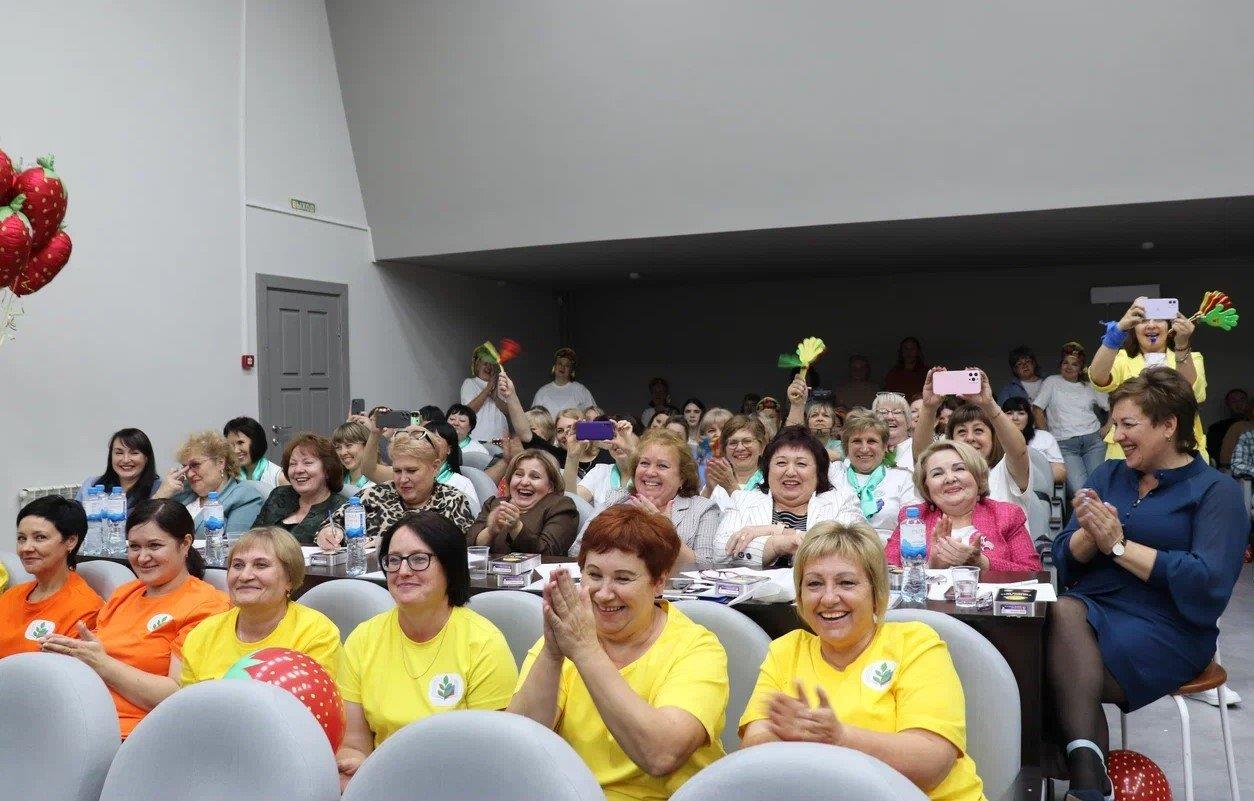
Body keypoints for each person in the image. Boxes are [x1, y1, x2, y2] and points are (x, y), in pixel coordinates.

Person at [1047, 368, 1246, 801]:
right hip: (1086, 616)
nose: (1115, 436)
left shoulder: (1217, 492)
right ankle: (1087, 779)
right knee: (1053, 620)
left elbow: (1208, 581)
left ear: (1169, 425)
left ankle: (1072, 775)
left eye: (1128, 424)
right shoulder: (1108, 475)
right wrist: (1089, 536)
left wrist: (1119, 547)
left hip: (1168, 627)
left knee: (1042, 659)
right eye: (1114, 424)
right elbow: (1062, 557)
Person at [740, 521, 986, 801]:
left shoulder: (915, 644)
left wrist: (838, 738)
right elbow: (752, 753)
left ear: (876, 593)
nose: (829, 598)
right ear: (799, 596)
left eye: (846, 583)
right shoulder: (785, 651)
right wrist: (796, 737)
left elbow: (932, 764)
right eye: (814, 584)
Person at [509, 505, 729, 801]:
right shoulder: (569, 635)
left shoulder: (697, 649)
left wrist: (586, 651)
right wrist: (551, 654)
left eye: (623, 579)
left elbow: (661, 755)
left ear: (658, 582)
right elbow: (521, 746)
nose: (604, 593)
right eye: (594, 575)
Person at [335, 512, 517, 790]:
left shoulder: (484, 644)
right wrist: (361, 768)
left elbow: (490, 758)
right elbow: (353, 746)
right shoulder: (364, 638)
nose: (403, 571)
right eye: (393, 560)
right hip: (380, 786)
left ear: (450, 566)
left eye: (419, 559)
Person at [39, 499, 228, 738]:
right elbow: (96, 653)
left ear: (185, 544)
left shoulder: (207, 605)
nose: (142, 557)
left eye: (154, 546)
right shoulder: (125, 593)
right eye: (134, 547)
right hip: (81, 717)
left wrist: (101, 663)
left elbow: (177, 693)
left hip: (138, 734)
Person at [179, 527, 341, 683]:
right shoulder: (203, 635)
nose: (245, 576)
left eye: (261, 565)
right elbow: (190, 701)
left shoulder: (316, 634)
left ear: (290, 579)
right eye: (238, 565)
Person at [912, 368, 1042, 535]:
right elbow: (922, 457)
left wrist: (988, 404)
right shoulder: (943, 477)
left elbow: (1019, 451)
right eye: (961, 432)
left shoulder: (1006, 472)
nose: (970, 438)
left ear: (993, 437)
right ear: (950, 440)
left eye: (978, 430)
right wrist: (929, 407)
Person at [715, 426, 861, 568]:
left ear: (819, 472)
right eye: (781, 463)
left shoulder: (842, 501)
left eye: (801, 464)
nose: (790, 472)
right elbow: (721, 551)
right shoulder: (742, 500)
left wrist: (774, 531)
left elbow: (854, 549)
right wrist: (776, 545)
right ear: (768, 469)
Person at [577, 428, 723, 569]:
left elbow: (705, 566)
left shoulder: (703, 509)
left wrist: (665, 531)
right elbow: (578, 549)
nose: (650, 472)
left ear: (682, 477)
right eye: (644, 463)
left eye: (662, 466)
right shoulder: (616, 499)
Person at [886, 441, 1041, 572]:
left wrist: (983, 564)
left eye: (959, 469)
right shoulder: (913, 518)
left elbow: (1034, 573)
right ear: (926, 487)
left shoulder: (1006, 515)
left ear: (977, 476)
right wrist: (930, 568)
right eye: (937, 474)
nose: (950, 478)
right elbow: (885, 571)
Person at [1089, 295, 1209, 462]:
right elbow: (1097, 378)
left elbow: (1190, 394)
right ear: (1134, 328)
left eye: (1159, 319)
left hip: (1179, 450)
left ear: (1170, 326)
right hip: (1127, 452)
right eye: (1143, 320)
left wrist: (1182, 345)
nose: (1151, 325)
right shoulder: (1122, 358)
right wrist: (1117, 331)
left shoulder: (1193, 358)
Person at [319, 430, 474, 544]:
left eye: (412, 471)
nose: (403, 479)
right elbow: (331, 524)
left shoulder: (452, 500)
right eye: (397, 471)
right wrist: (329, 534)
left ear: (435, 467)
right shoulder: (374, 495)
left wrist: (387, 544)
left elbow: (455, 548)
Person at [0, 496, 102, 657]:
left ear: (70, 541)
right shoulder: (11, 596)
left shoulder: (86, 608)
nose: (26, 548)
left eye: (40, 537)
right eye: (21, 538)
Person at [827, 410, 919, 544]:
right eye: (857, 441)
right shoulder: (834, 474)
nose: (864, 449)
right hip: (840, 549)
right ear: (846, 447)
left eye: (872, 441)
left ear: (885, 446)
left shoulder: (903, 478)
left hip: (889, 550)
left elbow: (912, 528)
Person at [1031, 342, 1110, 496]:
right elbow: (1037, 409)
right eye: (1065, 362)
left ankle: (1100, 512)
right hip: (1065, 445)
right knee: (1079, 490)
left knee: (1099, 485)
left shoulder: (1090, 383)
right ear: (1060, 365)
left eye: (1075, 364)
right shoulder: (1052, 382)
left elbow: (1111, 406)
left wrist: (1108, 426)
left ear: (1081, 368)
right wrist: (1047, 436)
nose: (1069, 367)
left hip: (1093, 441)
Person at [467, 449, 578, 555]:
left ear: (551, 486)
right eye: (519, 474)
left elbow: (549, 553)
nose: (524, 482)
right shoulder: (493, 504)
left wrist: (516, 528)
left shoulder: (562, 507)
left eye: (535, 477)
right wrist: (490, 531)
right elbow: (468, 548)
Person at [155, 431, 264, 537]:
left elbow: (235, 544)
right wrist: (160, 495)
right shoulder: (181, 492)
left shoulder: (244, 496)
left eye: (195, 465)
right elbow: (146, 529)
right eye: (185, 467)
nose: (189, 474)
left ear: (220, 463)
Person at [254, 434, 349, 545]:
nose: (298, 470)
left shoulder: (343, 508)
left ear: (328, 470)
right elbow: (253, 536)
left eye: (307, 463)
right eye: (293, 464)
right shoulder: (279, 495)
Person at [76, 428, 161, 507]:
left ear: (146, 458)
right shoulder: (91, 484)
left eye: (134, 453)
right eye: (119, 453)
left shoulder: (160, 489)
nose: (125, 460)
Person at [702, 415, 767, 511]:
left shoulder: (771, 482)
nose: (740, 448)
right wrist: (708, 489)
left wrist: (731, 487)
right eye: (733, 443)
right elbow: (695, 517)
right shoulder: (717, 481)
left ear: (762, 447)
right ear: (724, 450)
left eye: (747, 441)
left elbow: (757, 517)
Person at [1002, 396, 1067, 485]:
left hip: (1039, 488)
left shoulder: (1045, 437)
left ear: (1029, 417)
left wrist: (1031, 479)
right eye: (1009, 413)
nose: (1015, 418)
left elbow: (1060, 473)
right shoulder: (995, 439)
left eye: (1021, 413)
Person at [428, 421, 482, 515]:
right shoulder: (411, 478)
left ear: (449, 449)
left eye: (435, 441)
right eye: (425, 440)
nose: (428, 445)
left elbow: (474, 518)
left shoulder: (462, 483)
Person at [224, 417, 286, 493]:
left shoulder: (279, 477)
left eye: (240, 443)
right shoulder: (232, 476)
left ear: (256, 442)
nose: (235, 450)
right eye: (231, 445)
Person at [460, 345, 508, 442]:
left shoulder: (499, 385)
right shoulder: (470, 383)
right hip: (479, 440)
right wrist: (488, 388)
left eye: (491, 364)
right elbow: (468, 411)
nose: (489, 367)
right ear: (477, 365)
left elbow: (507, 410)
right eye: (485, 364)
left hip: (501, 440)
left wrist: (495, 397)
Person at [531, 347, 597, 415]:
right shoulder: (542, 392)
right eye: (560, 364)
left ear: (571, 370)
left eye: (567, 365)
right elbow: (534, 417)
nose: (562, 367)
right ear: (554, 367)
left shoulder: (581, 390)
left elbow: (594, 416)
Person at [1208, 388, 1250, 470]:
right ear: (1228, 404)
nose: (1238, 404)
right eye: (1233, 401)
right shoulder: (1217, 428)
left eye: (1242, 400)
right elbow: (1214, 456)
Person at [332, 420, 376, 497]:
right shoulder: (334, 482)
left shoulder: (378, 484)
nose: (343, 453)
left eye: (348, 445)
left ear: (366, 446)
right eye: (338, 447)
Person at [872, 391, 914, 469]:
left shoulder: (919, 449)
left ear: (908, 421)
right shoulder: (866, 450)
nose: (890, 417)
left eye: (897, 412)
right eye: (883, 412)